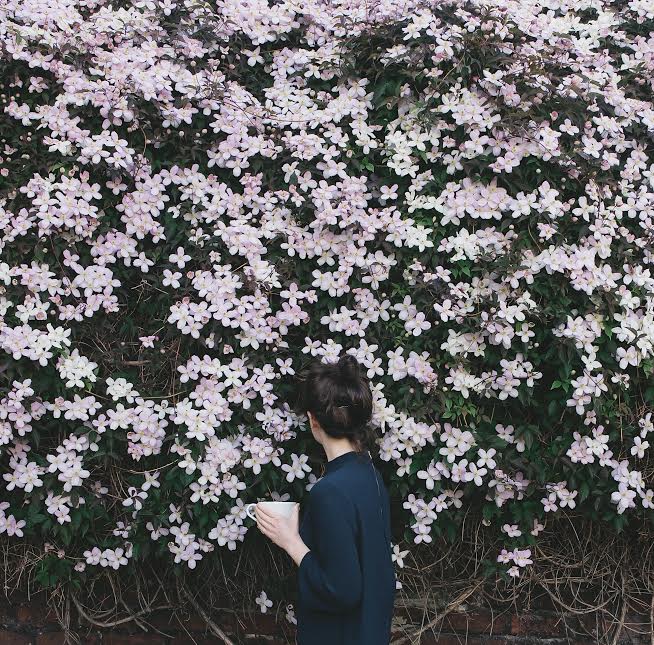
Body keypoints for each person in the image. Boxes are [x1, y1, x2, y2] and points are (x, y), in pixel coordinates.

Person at [253, 353, 396, 645]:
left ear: (313, 419)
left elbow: (342, 590)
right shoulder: (368, 474)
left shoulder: (329, 492)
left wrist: (289, 540)